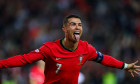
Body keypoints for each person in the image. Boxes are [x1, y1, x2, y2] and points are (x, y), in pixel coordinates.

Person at [0, 15, 140, 84]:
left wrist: (125, 66)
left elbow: (104, 59)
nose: (77, 27)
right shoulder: (50, 49)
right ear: (65, 29)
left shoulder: (86, 48)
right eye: (73, 24)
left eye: (79, 24)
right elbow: (23, 59)